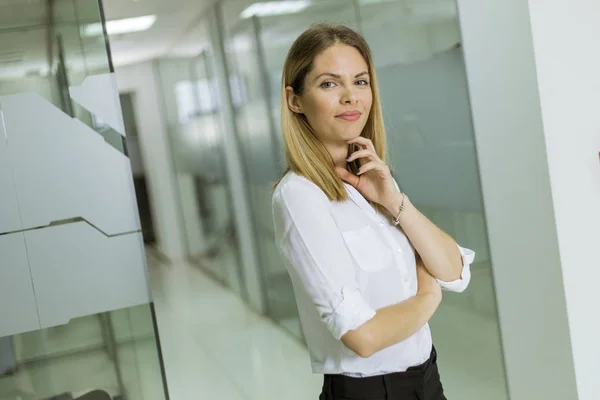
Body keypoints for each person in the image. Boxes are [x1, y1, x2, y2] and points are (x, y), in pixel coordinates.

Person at [272, 24, 475, 400]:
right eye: (330, 84)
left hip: (428, 381)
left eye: (360, 81)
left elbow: (455, 272)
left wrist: (395, 201)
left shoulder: (371, 179)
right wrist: (427, 300)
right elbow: (362, 336)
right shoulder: (300, 197)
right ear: (295, 100)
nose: (351, 97)